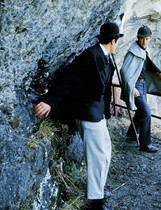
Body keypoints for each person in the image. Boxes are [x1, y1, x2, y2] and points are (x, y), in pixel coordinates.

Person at [34, 22, 123, 210]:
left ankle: (99, 189)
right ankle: (96, 201)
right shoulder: (91, 55)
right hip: (88, 113)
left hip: (98, 114)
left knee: (105, 151)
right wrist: (50, 101)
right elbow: (67, 79)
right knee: (97, 156)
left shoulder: (105, 56)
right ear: (113, 40)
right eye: (117, 41)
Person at [120, 25, 161, 153]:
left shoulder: (146, 50)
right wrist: (132, 87)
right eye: (142, 39)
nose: (144, 41)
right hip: (136, 86)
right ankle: (145, 144)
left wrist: (158, 74)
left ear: (150, 38)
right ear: (137, 38)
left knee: (141, 111)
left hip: (143, 85)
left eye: (146, 38)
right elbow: (124, 71)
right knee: (146, 113)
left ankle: (131, 134)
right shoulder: (133, 52)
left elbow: (147, 65)